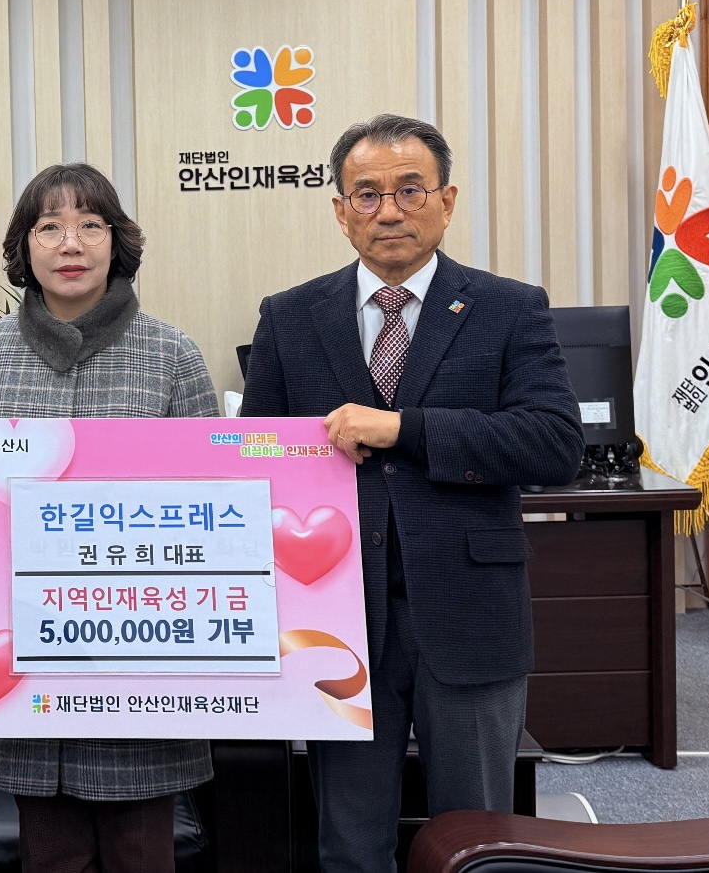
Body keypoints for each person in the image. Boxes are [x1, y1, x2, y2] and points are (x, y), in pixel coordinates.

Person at [239, 113, 582, 873]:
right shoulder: (291, 317)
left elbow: (555, 444)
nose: (388, 210)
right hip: (336, 620)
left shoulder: (508, 307)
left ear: (446, 201)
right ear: (341, 211)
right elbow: (258, 463)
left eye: (409, 190)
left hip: (467, 609)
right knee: (350, 842)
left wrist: (406, 429)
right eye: (366, 194)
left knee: (475, 841)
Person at [0, 162, 218, 873]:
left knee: (143, 855)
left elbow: (216, 501)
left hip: (144, 657)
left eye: (90, 225)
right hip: (24, 656)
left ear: (117, 242)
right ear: (25, 246)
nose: (70, 243)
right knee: (50, 855)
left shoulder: (172, 355)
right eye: (49, 227)